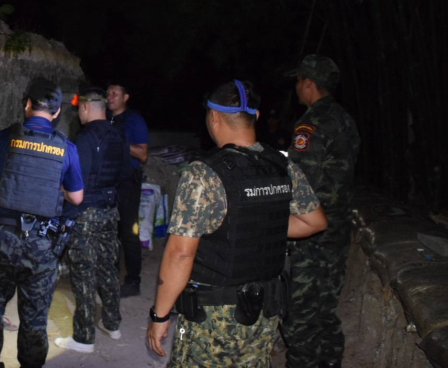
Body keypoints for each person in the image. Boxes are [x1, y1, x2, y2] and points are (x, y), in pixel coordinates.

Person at [147, 79, 328, 367]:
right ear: (256, 116)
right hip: (264, 314)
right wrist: (258, 224)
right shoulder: (281, 165)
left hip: (212, 318)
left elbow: (180, 254)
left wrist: (160, 315)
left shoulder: (203, 174)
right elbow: (315, 222)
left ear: (214, 116)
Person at [0, 77, 84, 368]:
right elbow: (77, 197)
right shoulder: (66, 148)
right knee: (35, 319)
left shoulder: (4, 138)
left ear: (27, 105)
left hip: (0, 242)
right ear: (57, 112)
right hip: (41, 246)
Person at [283, 55, 361, 368]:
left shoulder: (311, 124)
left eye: (298, 81)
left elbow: (302, 184)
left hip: (312, 234)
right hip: (338, 228)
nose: (297, 88)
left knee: (300, 317)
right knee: (326, 311)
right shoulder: (345, 119)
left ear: (309, 83)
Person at [55, 87, 132, 353]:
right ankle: (112, 324)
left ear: (86, 107)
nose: (79, 113)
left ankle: (84, 338)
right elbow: (126, 173)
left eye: (79, 109)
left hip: (86, 214)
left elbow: (75, 179)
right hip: (110, 211)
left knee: (84, 274)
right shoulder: (118, 134)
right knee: (108, 268)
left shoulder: (85, 137)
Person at [106, 81, 149, 297]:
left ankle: (133, 281)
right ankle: (111, 278)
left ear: (125, 97)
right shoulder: (105, 118)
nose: (110, 96)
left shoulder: (134, 120)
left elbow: (143, 154)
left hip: (128, 185)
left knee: (129, 234)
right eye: (108, 93)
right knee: (109, 233)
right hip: (108, 182)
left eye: (115, 93)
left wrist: (119, 140)